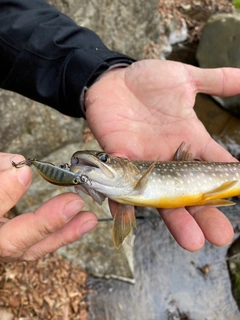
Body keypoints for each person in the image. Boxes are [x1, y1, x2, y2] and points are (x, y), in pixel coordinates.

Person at [1, 0, 240, 262]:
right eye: (103, 159)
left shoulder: (132, 184)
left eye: (103, 158)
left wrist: (101, 75)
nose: (95, 161)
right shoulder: (126, 189)